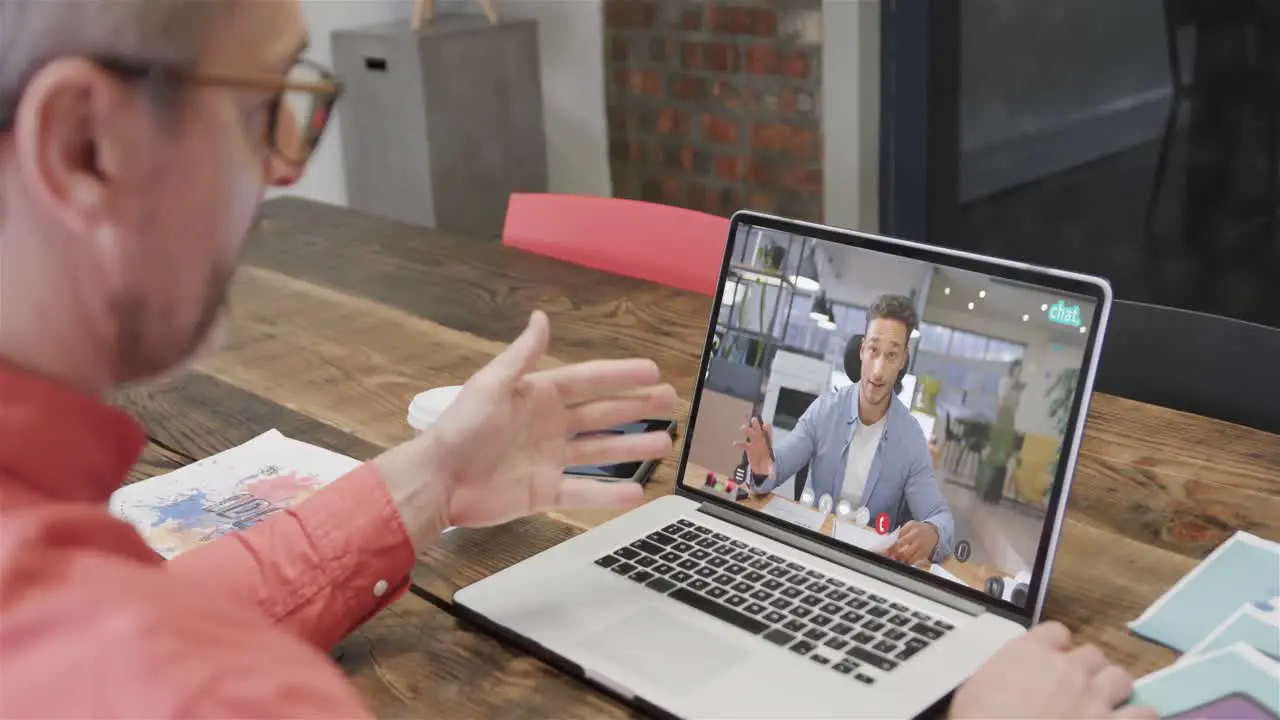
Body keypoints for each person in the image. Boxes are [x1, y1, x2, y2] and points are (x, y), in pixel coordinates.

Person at [0, 1, 1154, 718]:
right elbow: (769, 471)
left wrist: (431, 479)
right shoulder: (199, 687)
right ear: (83, 145)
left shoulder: (902, 440)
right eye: (264, 109)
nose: (285, 171)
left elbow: (938, 533)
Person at [739, 294, 956, 567]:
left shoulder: (911, 438)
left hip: (867, 566)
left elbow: (941, 517)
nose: (878, 371)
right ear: (862, 350)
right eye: (874, 350)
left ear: (903, 360)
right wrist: (761, 468)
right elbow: (775, 468)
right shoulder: (825, 410)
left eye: (891, 356)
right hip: (809, 552)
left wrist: (933, 534)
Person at [977, 358, 1026, 503]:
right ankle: (985, 490)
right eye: (1018, 370)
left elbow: (1015, 405)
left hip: (1010, 418)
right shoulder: (1005, 381)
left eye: (1021, 371)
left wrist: (1017, 391)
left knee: (1004, 454)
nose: (1019, 373)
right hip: (1001, 417)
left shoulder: (1016, 386)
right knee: (995, 453)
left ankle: (995, 494)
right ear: (1013, 369)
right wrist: (1012, 387)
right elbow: (1003, 399)